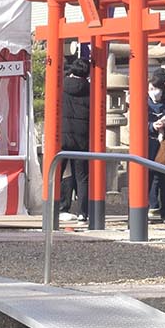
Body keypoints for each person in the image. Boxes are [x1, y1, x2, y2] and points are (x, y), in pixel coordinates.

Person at [57, 54, 92, 221]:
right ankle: (83, 212)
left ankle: (58, 207)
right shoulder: (90, 89)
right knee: (82, 176)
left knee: (58, 173)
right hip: (82, 138)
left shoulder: (61, 85)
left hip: (62, 136)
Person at [148, 66, 165, 224]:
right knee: (150, 176)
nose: (154, 91)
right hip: (148, 141)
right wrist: (151, 126)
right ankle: (152, 206)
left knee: (164, 177)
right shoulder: (143, 101)